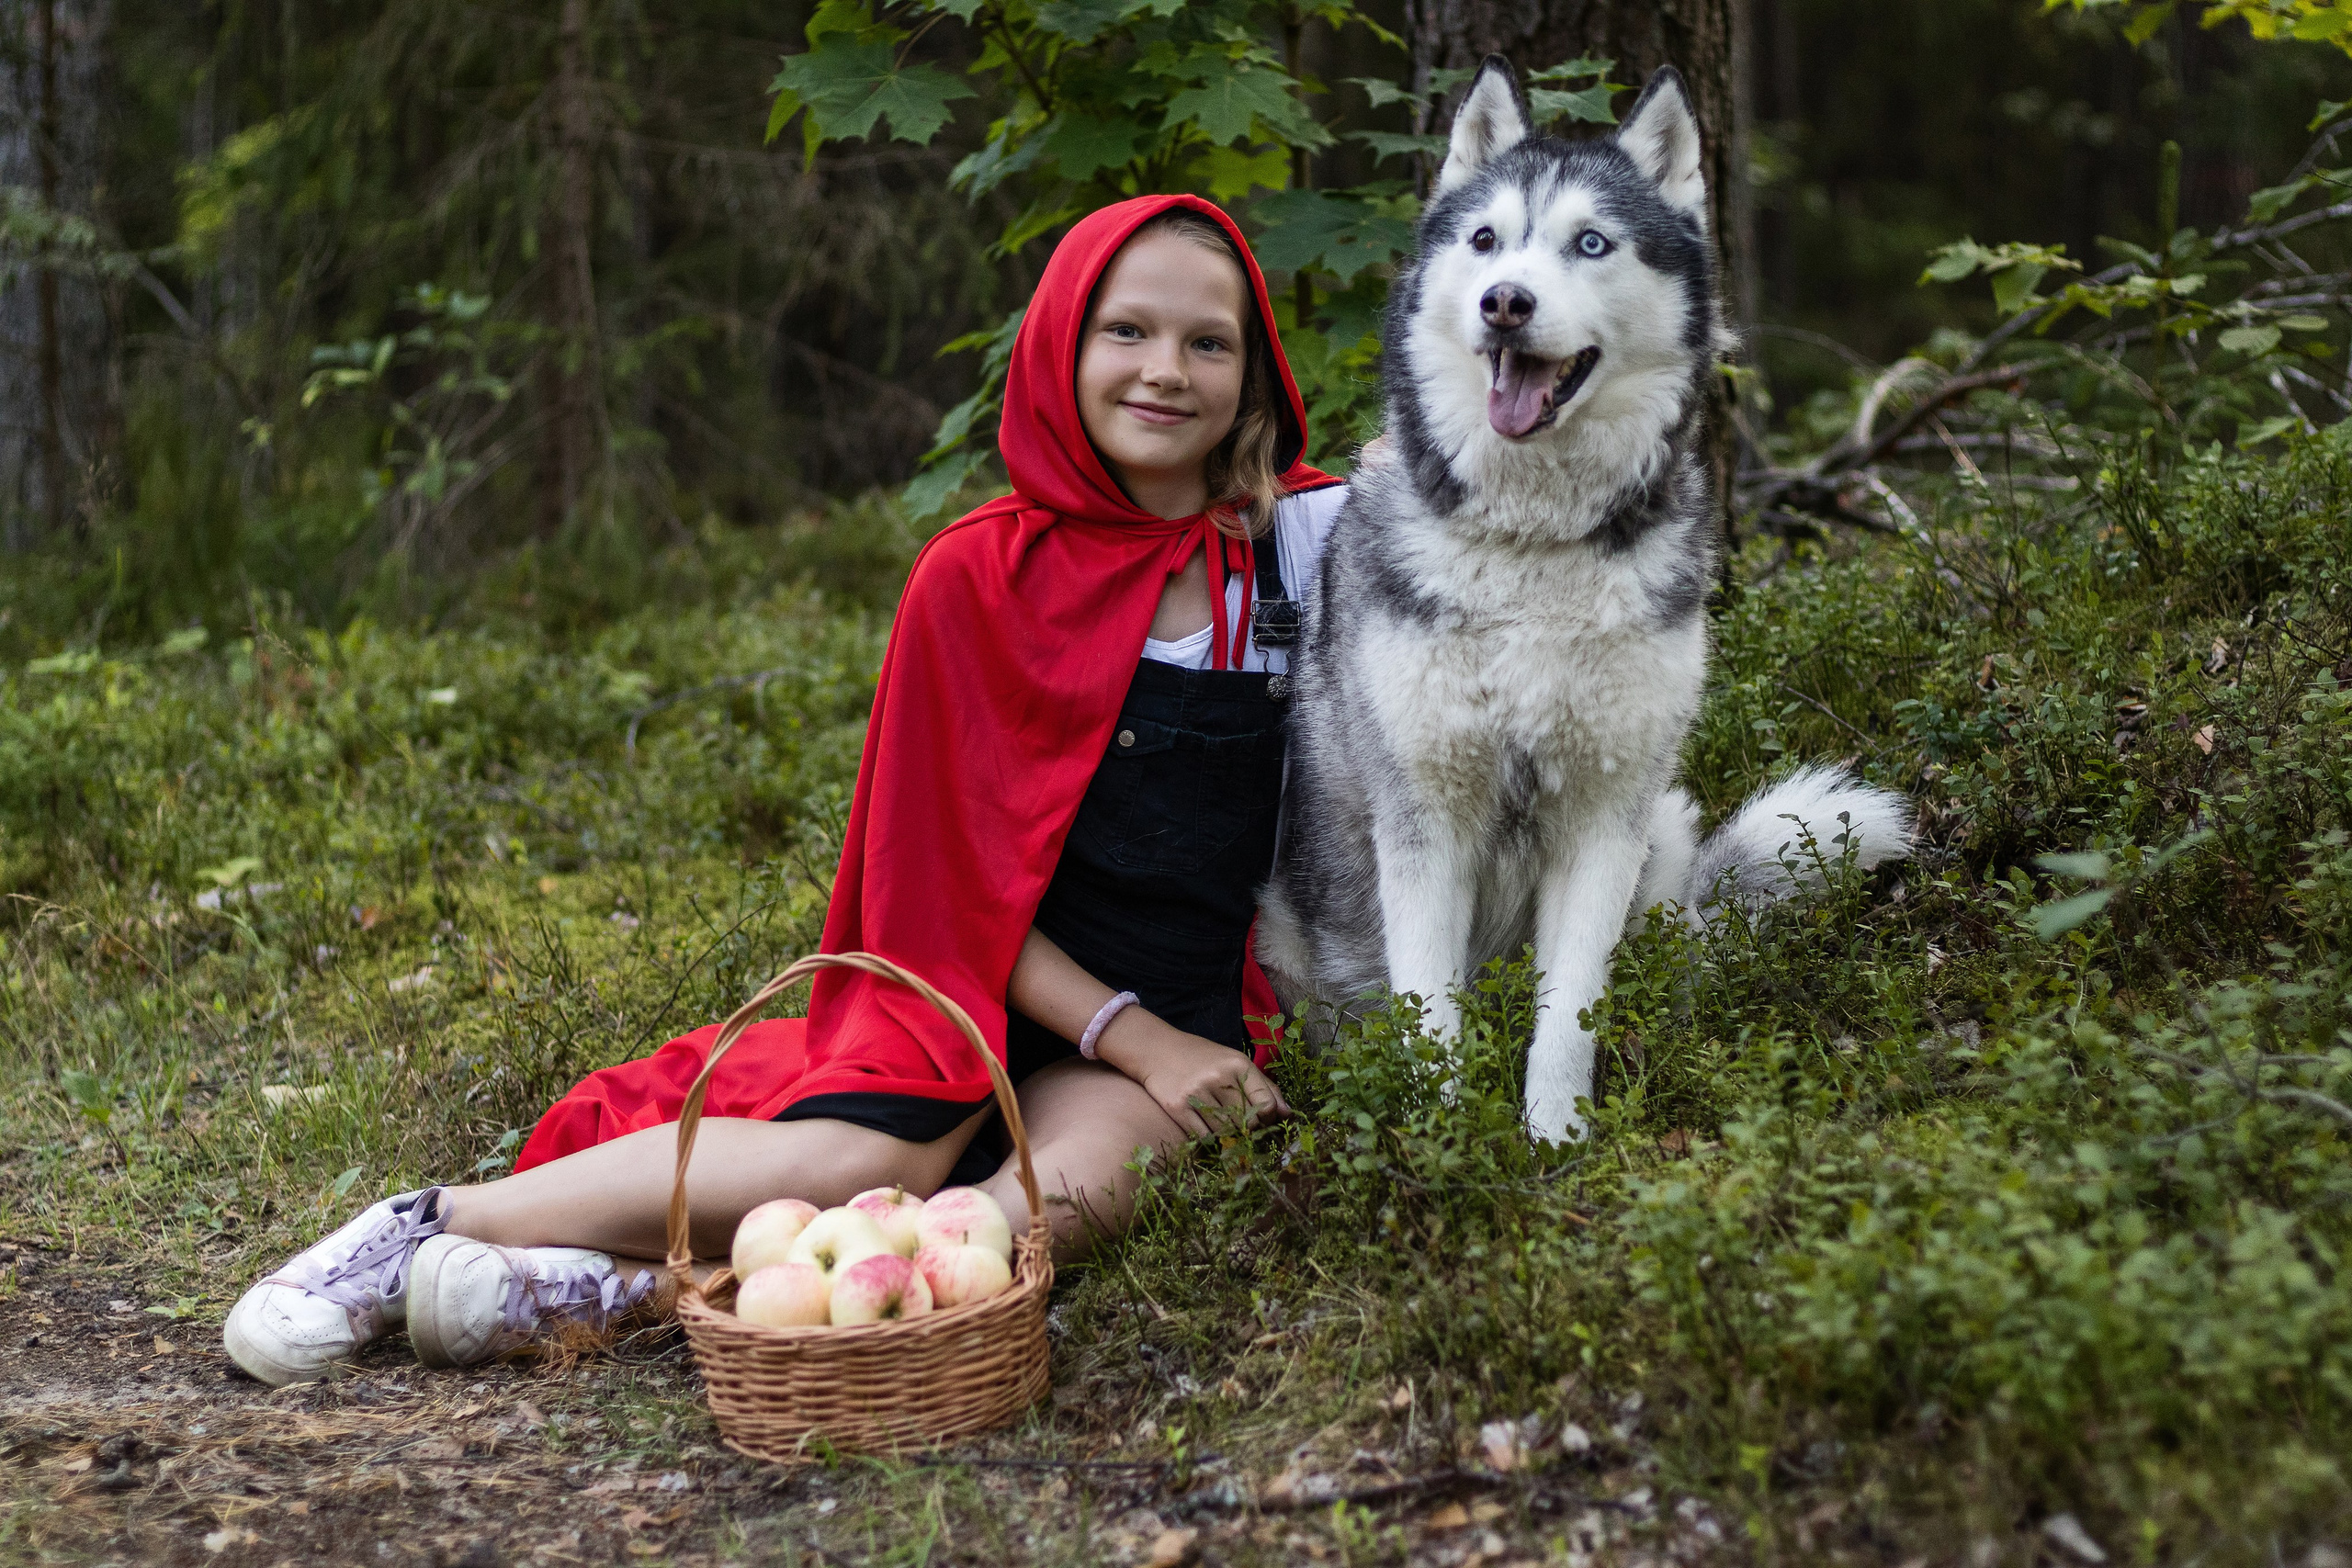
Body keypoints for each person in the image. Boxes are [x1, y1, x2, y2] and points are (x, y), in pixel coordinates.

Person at [221, 194, 1351, 1386]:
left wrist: (1165, 1051)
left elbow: (1464, 522)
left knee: (1024, 1222)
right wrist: (1129, 1035)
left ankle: (616, 1289)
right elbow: (947, 902)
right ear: (1059, 346)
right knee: (866, 1169)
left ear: (1256, 365)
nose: (1165, 371)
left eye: (1208, 342)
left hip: (1176, 1013)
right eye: (1126, 332)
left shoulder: (1301, 548)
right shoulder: (973, 579)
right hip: (973, 988)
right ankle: (430, 1226)